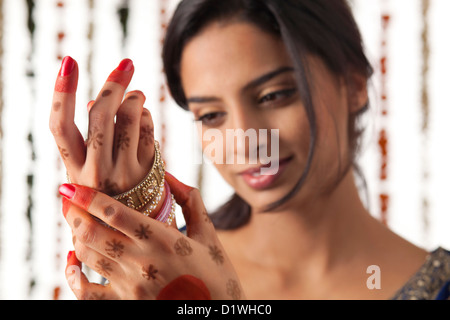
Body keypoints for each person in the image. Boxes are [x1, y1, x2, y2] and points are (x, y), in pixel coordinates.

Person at [50, 0, 450, 300]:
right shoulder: (153, 274)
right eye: (210, 116)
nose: (244, 138)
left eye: (274, 95)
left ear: (354, 83)